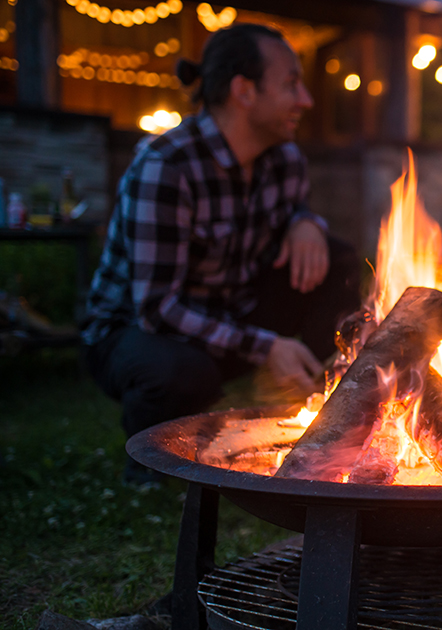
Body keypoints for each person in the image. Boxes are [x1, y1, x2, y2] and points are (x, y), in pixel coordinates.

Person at [82, 24, 361, 485]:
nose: (306, 100)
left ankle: (306, 409)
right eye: (291, 84)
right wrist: (266, 345)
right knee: (182, 371)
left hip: (230, 315)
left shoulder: (285, 159)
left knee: (338, 260)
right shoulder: (166, 167)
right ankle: (150, 461)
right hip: (135, 332)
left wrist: (306, 222)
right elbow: (157, 309)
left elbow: (295, 213)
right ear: (243, 92)